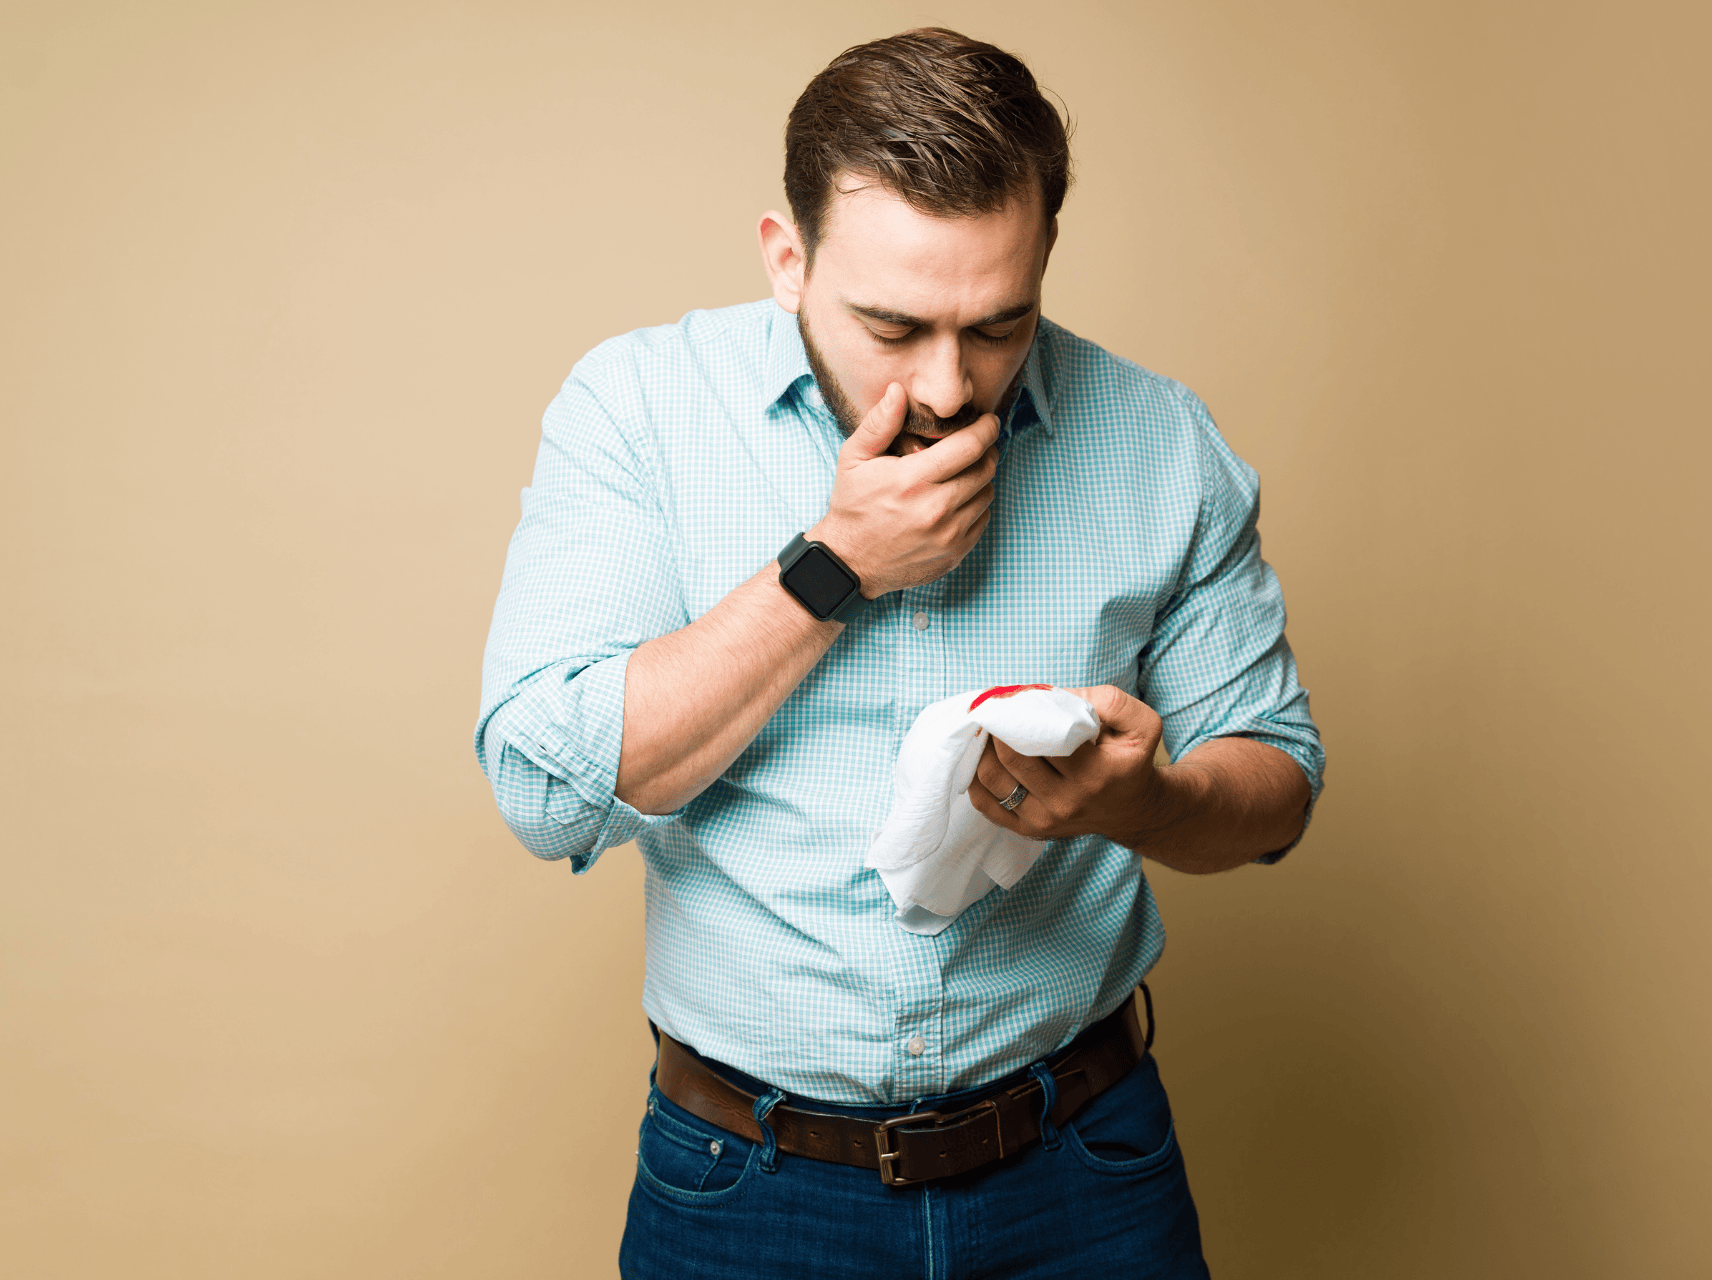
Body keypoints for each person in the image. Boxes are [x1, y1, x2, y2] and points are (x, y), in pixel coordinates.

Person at [475, 27, 1323, 1279]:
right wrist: (834, 565)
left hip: (1085, 1173)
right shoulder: (638, 413)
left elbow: (1279, 789)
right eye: (893, 324)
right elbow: (545, 789)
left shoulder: (1153, 440)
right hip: (749, 1188)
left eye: (999, 324)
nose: (945, 383)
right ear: (787, 257)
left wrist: (1150, 799)